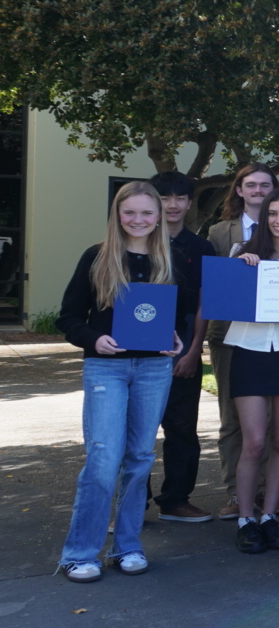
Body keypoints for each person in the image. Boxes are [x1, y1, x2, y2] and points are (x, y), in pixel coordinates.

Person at [56, 181, 188, 583]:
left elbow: (173, 319)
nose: (139, 220)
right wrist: (95, 339)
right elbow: (68, 318)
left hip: (153, 370)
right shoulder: (96, 258)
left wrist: (176, 341)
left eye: (147, 213)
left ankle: (128, 546)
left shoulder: (169, 260)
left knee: (140, 459)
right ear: (117, 214)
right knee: (102, 460)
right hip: (106, 369)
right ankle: (81, 553)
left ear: (158, 217)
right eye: (130, 212)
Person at [224, 187, 279, 555]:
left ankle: (269, 518)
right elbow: (226, 300)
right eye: (272, 214)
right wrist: (242, 270)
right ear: (264, 217)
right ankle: (246, 519)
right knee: (255, 442)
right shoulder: (240, 253)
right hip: (250, 349)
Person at [206, 161, 277, 519]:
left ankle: (264, 491)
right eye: (251, 185)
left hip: (275, 336)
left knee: (267, 421)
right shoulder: (220, 232)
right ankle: (236, 493)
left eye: (265, 186)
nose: (258, 191)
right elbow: (213, 285)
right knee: (233, 419)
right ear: (239, 190)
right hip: (229, 335)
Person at [148, 171, 216, 524]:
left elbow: (207, 304)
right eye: (164, 198)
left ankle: (176, 500)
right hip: (137, 354)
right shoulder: (135, 242)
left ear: (190, 203)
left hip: (183, 353)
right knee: (136, 434)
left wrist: (194, 352)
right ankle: (133, 504)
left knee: (182, 432)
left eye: (179, 198)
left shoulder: (202, 247)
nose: (172, 205)